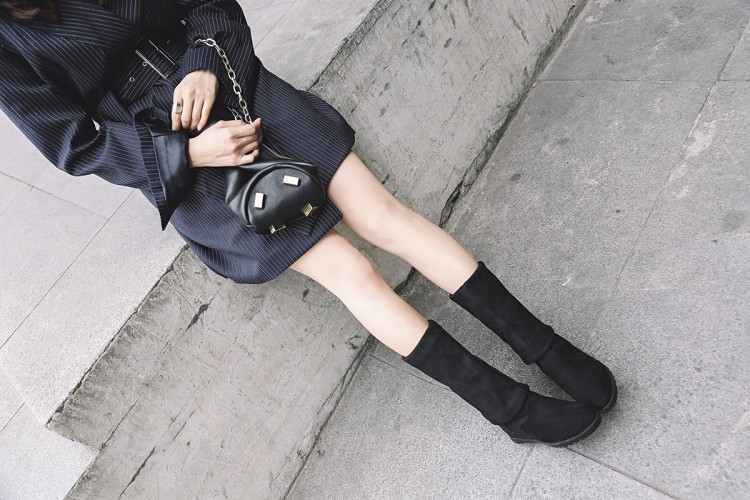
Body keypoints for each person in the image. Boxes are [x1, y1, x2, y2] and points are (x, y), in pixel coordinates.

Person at [0, 0, 616, 448]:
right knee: (351, 271)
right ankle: (509, 411)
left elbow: (209, 5)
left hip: (234, 84)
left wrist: (204, 62)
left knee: (383, 217)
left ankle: (545, 348)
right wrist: (189, 153)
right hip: (176, 154)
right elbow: (74, 144)